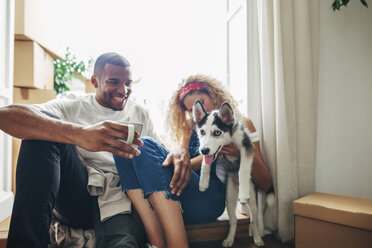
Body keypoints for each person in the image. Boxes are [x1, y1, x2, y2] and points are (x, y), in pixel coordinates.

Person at [0, 52, 191, 248]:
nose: (123, 90)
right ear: (95, 81)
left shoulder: (140, 112)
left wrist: (179, 152)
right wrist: (80, 134)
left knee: (123, 244)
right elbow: (5, 116)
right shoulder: (73, 105)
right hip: (79, 195)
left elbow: (157, 158)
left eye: (128, 83)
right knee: (40, 135)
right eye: (114, 82)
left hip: (123, 197)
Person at [113, 74, 273, 248]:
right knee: (125, 149)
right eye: (190, 110)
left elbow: (265, 183)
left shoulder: (243, 124)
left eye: (201, 102)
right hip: (182, 201)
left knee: (146, 144)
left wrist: (241, 152)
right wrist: (182, 156)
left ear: (214, 95)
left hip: (210, 200)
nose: (197, 111)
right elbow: (184, 165)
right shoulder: (190, 130)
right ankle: (156, 244)